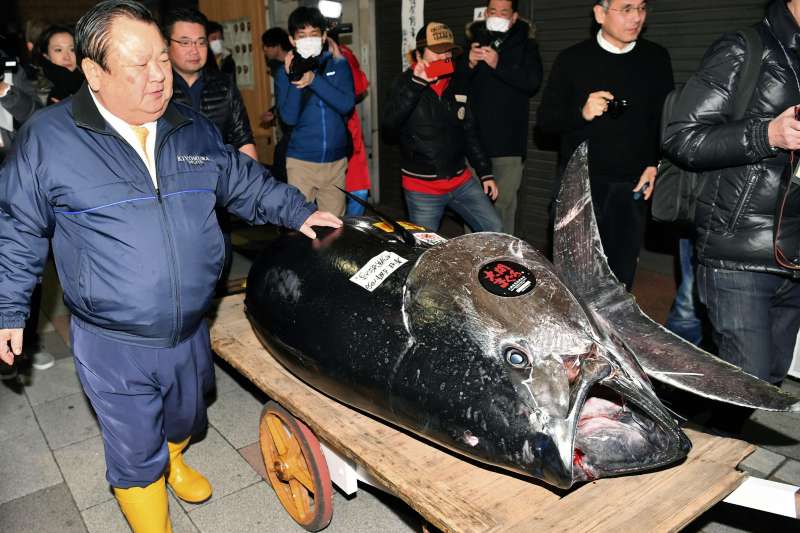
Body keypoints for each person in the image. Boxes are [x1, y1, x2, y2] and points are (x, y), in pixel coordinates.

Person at [0, 2, 340, 532]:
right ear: (93, 72)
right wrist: (7, 308)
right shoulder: (48, 139)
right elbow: (17, 228)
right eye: (140, 64)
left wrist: (299, 211)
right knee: (135, 451)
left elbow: (243, 182)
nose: (160, 75)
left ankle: (175, 459)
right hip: (113, 340)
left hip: (189, 327)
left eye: (163, 56)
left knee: (186, 417)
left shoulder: (190, 127)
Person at [663, 0, 800, 396]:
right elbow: (681, 137)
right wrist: (766, 135)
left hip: (792, 253)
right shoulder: (745, 47)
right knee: (745, 386)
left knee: (770, 380)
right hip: (737, 253)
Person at [537, 0, 673, 290]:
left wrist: (655, 163)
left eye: (642, 8)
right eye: (626, 9)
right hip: (580, 183)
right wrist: (582, 113)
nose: (636, 17)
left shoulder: (656, 58)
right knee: (573, 272)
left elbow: (664, 119)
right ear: (600, 13)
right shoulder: (572, 60)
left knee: (620, 275)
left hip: (632, 185)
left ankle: (611, 334)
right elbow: (545, 123)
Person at [382, 21, 502, 233]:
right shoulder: (402, 84)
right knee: (425, 248)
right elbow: (389, 128)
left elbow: (469, 130)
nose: (444, 56)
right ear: (419, 55)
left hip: (460, 180)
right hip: (422, 187)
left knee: (493, 227)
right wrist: (416, 85)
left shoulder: (457, 83)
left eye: (447, 50)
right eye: (436, 51)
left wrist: (485, 172)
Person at [464, 0, 543, 234]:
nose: (497, 15)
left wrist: (498, 64)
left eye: (503, 12)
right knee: (471, 205)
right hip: (473, 140)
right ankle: (470, 259)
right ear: (486, 13)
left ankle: (502, 259)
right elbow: (457, 86)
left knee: (503, 205)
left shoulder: (526, 44)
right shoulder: (473, 39)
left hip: (508, 143)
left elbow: (532, 83)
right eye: (493, 11)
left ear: (514, 17)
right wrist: (468, 63)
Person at [275, 6, 355, 217]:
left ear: (324, 36)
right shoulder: (283, 73)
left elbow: (346, 104)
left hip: (335, 163)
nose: (308, 39)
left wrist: (314, 80)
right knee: (300, 226)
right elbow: (289, 118)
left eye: (314, 34)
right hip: (301, 163)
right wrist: (295, 76)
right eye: (302, 35)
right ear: (292, 40)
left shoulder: (338, 65)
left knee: (335, 229)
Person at [336, 38, 371, 216]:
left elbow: (359, 85)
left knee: (359, 192)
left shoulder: (344, 53)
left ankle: (350, 235)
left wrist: (341, 56)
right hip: (320, 139)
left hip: (350, 131)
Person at [261, 27, 293, 182]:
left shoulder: (289, 68)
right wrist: (273, 112)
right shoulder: (278, 68)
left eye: (267, 45)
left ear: (278, 46)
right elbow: (285, 99)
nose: (265, 50)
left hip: (294, 133)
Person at [35, 25, 84, 105]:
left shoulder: (91, 82)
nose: (67, 57)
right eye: (58, 50)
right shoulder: (37, 88)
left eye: (72, 50)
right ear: (46, 56)